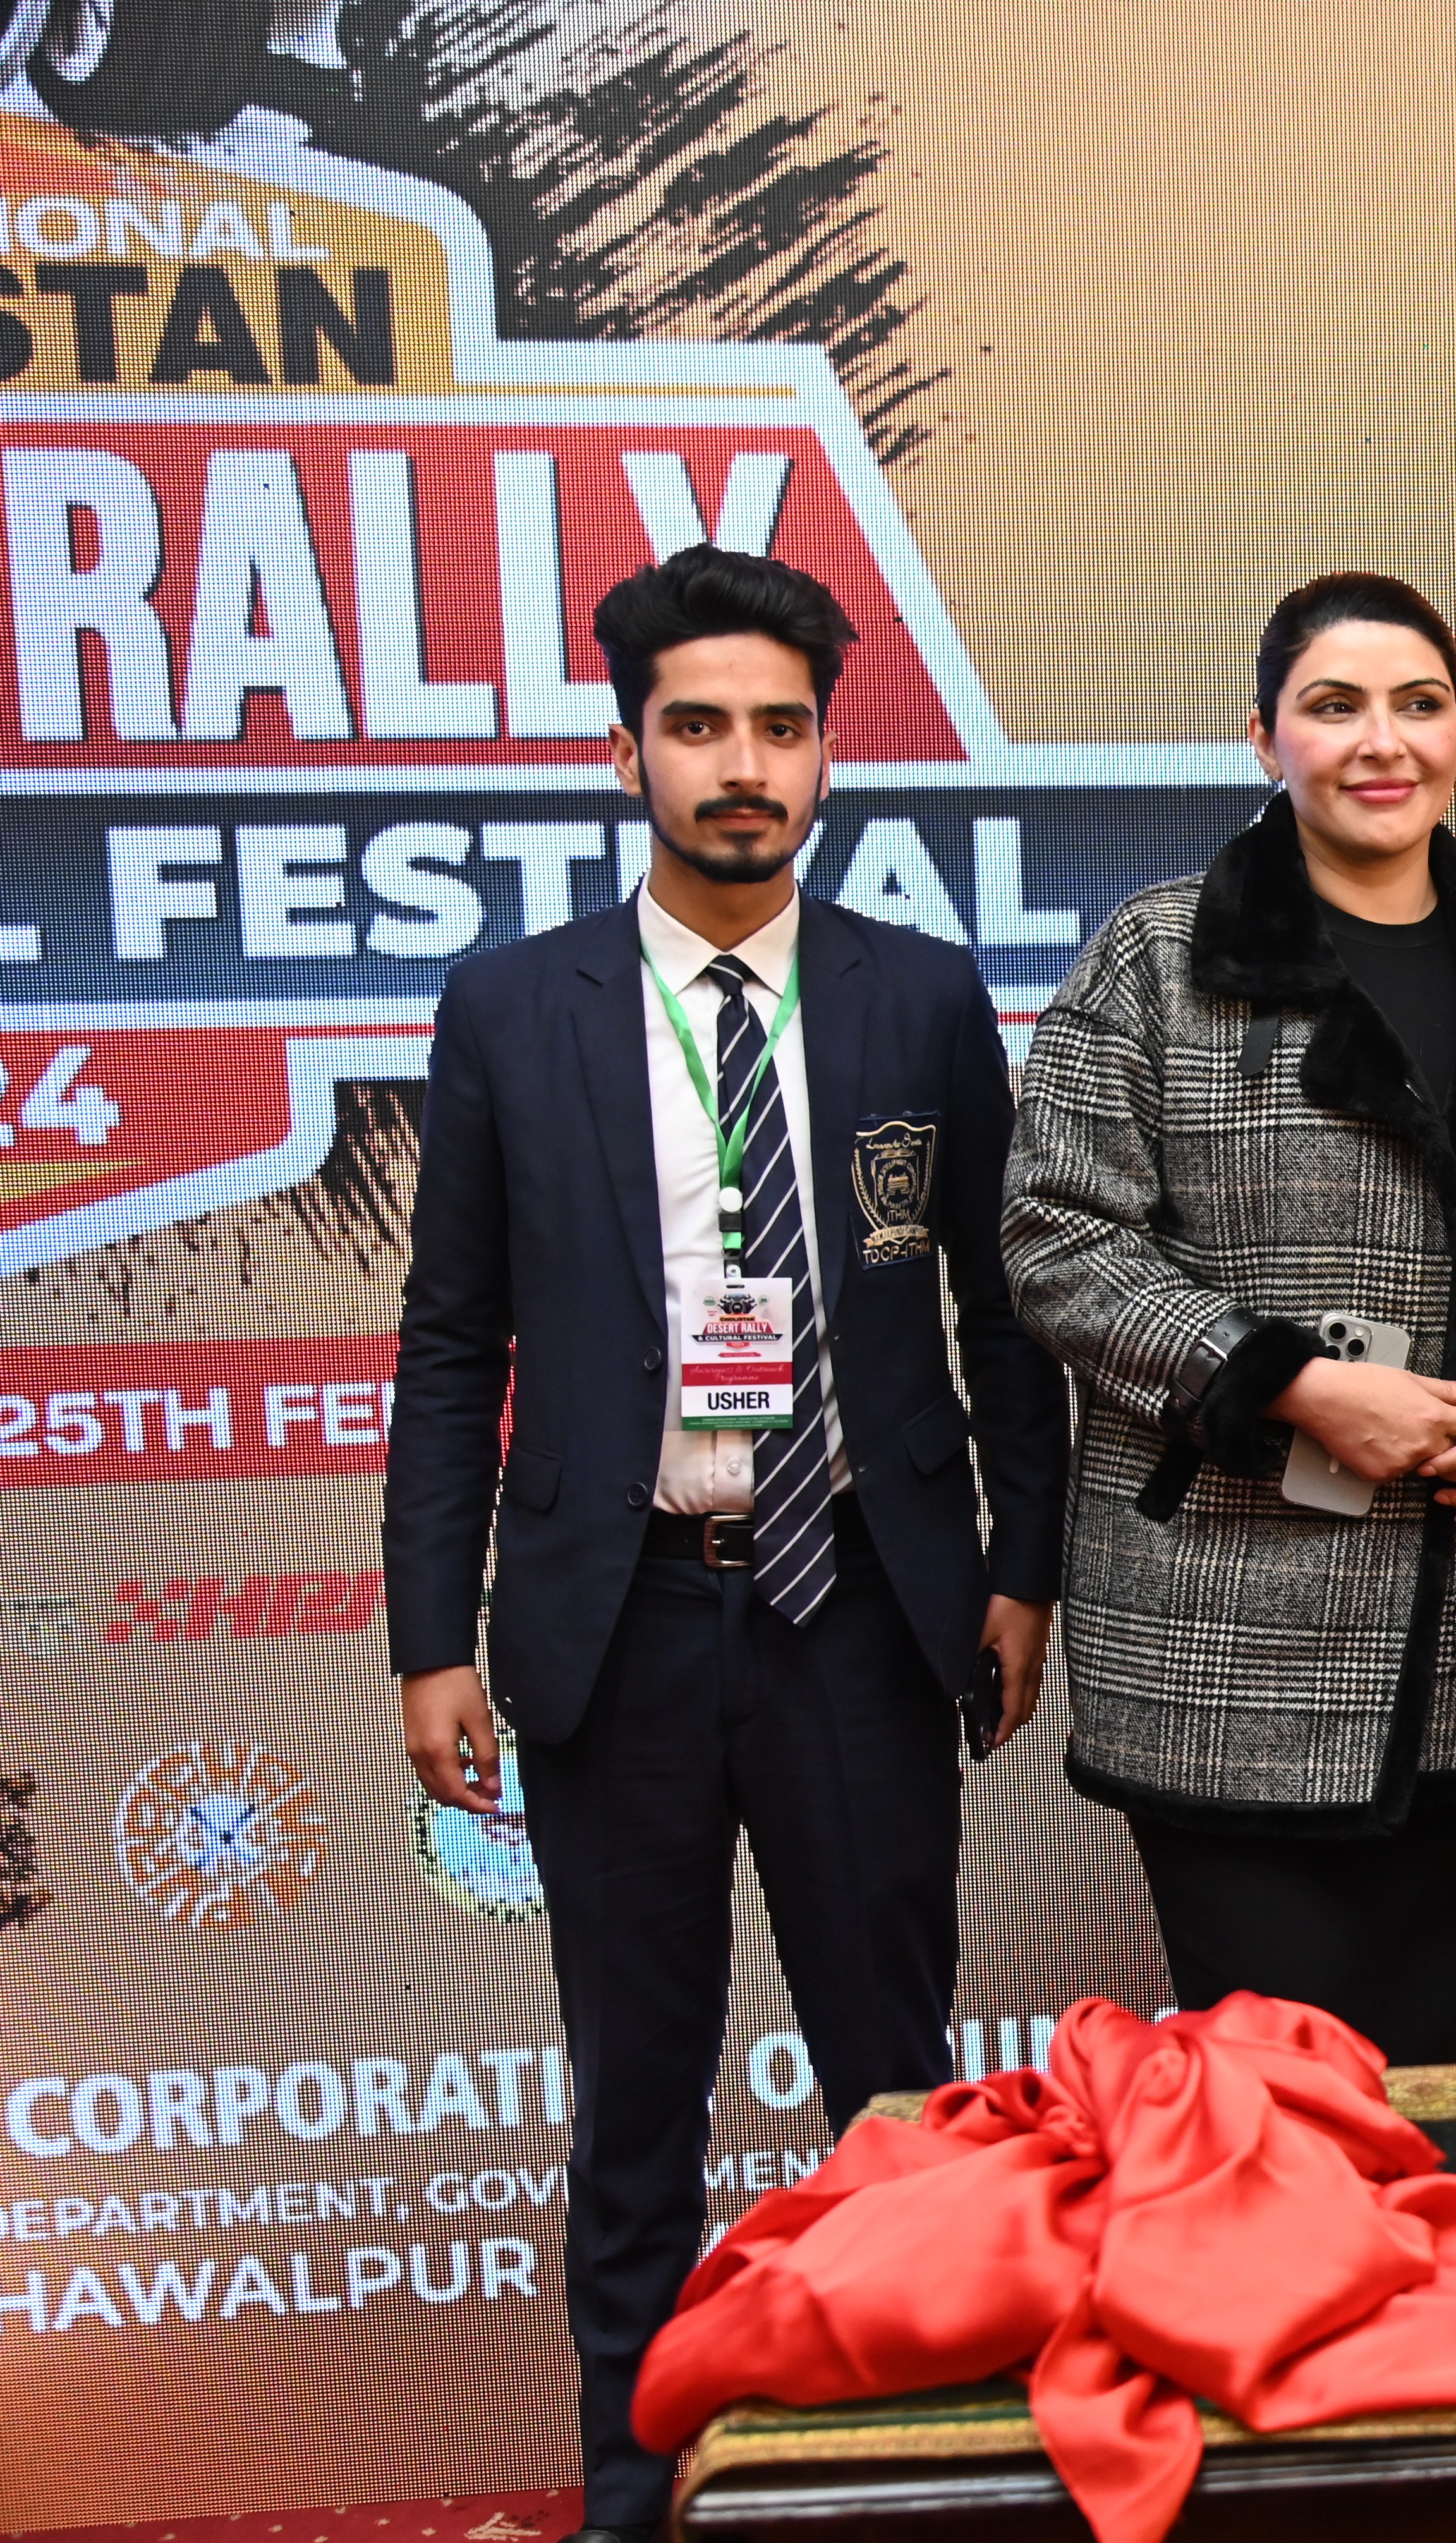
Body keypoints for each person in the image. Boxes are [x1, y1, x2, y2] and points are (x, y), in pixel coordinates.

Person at [384, 545, 1068, 2542]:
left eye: (780, 725)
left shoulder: (917, 996)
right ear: (628, 755)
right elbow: (454, 1343)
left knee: (896, 2079)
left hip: (860, 1609)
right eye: (700, 727)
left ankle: (927, 2450)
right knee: (637, 2101)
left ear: (827, 755)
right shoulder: (516, 1009)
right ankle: (631, 2482)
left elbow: (1002, 1315)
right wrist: (439, 1636)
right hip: (622, 1629)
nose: (743, 765)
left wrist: (1016, 1576)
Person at [1002, 571, 1456, 2067]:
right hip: (1223, 1626)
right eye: (1334, 706)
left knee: (1429, 2102)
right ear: (1265, 735)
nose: (1380, 741)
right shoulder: (1158, 959)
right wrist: (1286, 1381)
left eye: (1418, 702)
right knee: (1271, 2117)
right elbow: (1054, 1239)